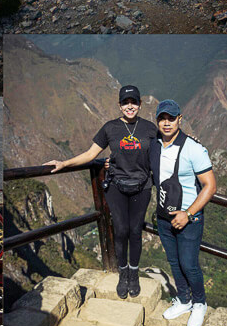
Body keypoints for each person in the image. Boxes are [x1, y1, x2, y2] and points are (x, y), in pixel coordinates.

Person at [45, 84, 156, 299]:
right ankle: (122, 273)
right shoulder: (110, 128)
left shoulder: (150, 128)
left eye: (134, 102)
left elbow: (170, 144)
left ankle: (134, 274)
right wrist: (64, 163)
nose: (130, 106)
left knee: (135, 231)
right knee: (121, 229)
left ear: (140, 104)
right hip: (116, 186)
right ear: (119, 105)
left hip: (142, 187)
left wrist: (192, 144)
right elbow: (90, 154)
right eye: (126, 102)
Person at [153, 100, 216, 326]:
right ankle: (184, 299)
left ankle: (200, 303)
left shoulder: (193, 148)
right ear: (157, 120)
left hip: (189, 218)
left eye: (171, 118)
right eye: (162, 118)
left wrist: (188, 214)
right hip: (164, 216)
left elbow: (210, 186)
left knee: (189, 264)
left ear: (180, 119)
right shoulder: (156, 145)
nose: (166, 123)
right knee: (174, 262)